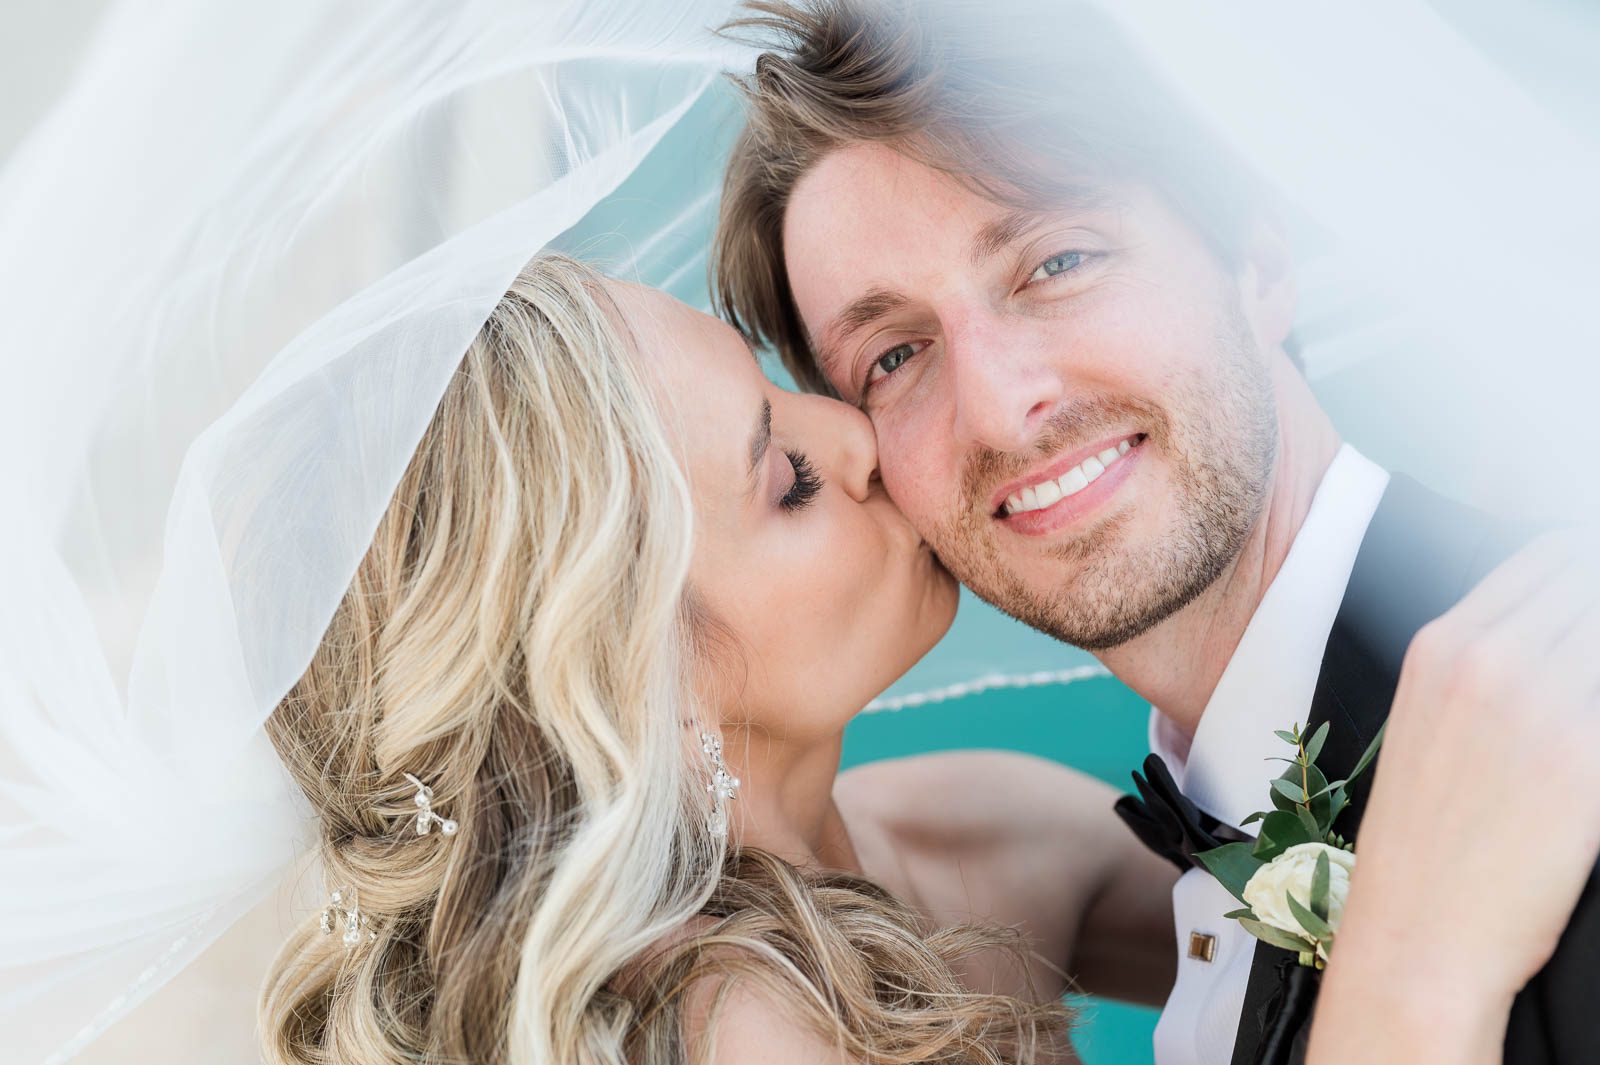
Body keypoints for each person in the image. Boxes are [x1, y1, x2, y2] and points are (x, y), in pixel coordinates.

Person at [258, 253, 1600, 1065]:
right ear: (633, 689)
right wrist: (1420, 976)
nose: (852, 437)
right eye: (784, 475)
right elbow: (1390, 932)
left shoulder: (958, 825)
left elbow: (1290, 907)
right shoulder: (721, 1032)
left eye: (784, 382)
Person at [709, 2, 1600, 1061]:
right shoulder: (1186, 841)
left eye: (1058, 261)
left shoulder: (1562, 713)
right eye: (895, 357)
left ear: (1257, 260)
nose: (998, 408)